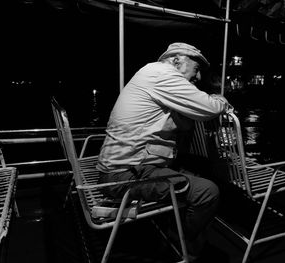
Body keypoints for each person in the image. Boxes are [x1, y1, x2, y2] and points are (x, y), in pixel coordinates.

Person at [96, 42, 229, 262]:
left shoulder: (152, 76)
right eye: (196, 69)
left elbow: (185, 124)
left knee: (193, 170)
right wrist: (220, 100)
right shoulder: (161, 74)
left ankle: (178, 232)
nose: (197, 77)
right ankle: (180, 243)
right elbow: (209, 108)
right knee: (208, 191)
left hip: (124, 167)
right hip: (122, 176)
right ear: (177, 61)